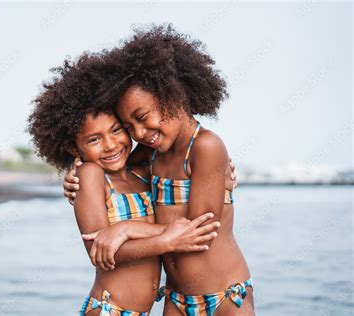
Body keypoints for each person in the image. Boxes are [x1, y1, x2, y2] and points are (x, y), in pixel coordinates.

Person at [63, 25, 254, 315]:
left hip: (224, 297)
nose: (138, 133)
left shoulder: (206, 147)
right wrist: (73, 173)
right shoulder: (152, 156)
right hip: (175, 299)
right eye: (129, 126)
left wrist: (125, 229)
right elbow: (110, 168)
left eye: (141, 118)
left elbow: (199, 230)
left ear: (173, 96)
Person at [28, 51, 221, 315]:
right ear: (74, 148)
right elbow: (99, 251)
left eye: (118, 130)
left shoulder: (143, 173)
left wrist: (224, 174)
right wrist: (166, 241)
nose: (110, 145)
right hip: (109, 309)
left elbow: (181, 165)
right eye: (94, 140)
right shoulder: (91, 175)